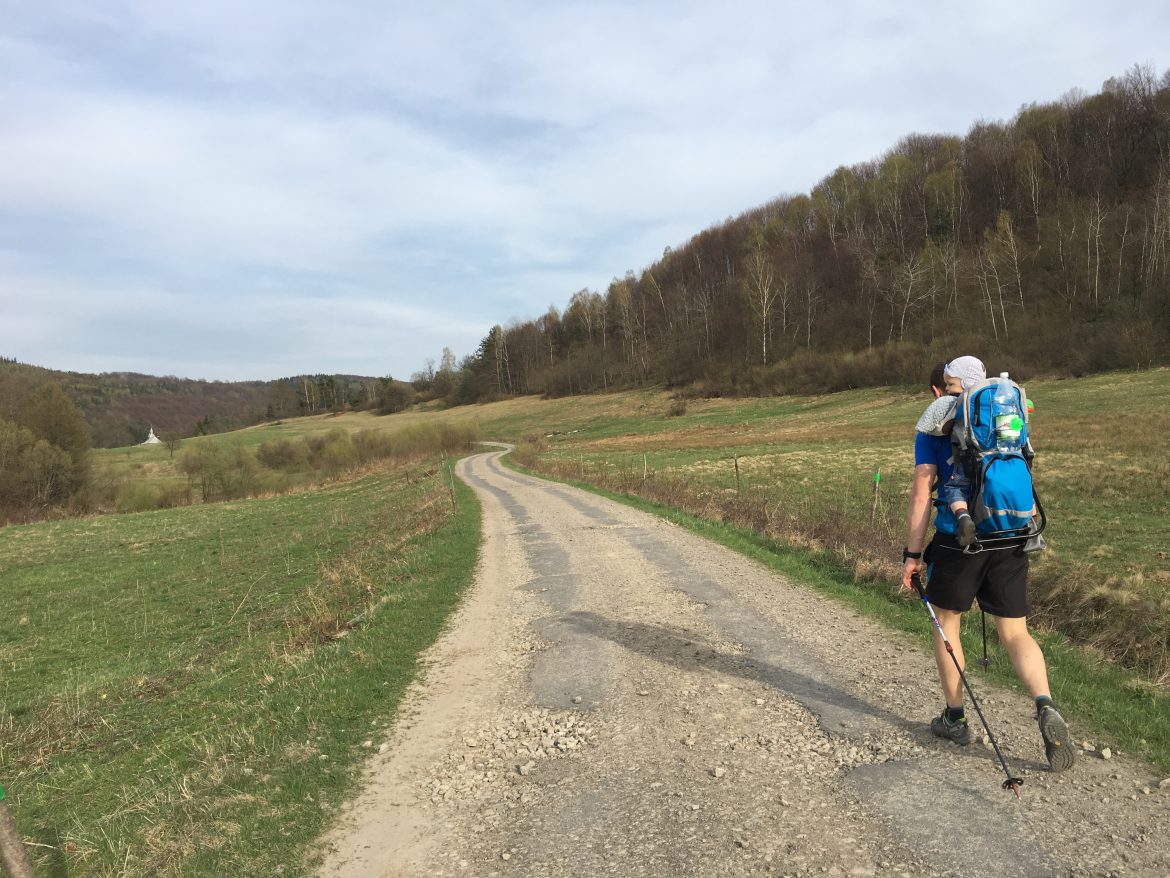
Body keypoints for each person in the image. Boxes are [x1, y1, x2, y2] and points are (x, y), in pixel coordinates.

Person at [901, 356, 1075, 772]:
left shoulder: (936, 423)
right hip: (1013, 535)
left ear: (940, 389)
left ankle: (955, 718)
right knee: (1015, 632)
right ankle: (1045, 704)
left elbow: (923, 494)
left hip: (960, 541)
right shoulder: (1004, 414)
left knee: (948, 623)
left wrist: (911, 556)